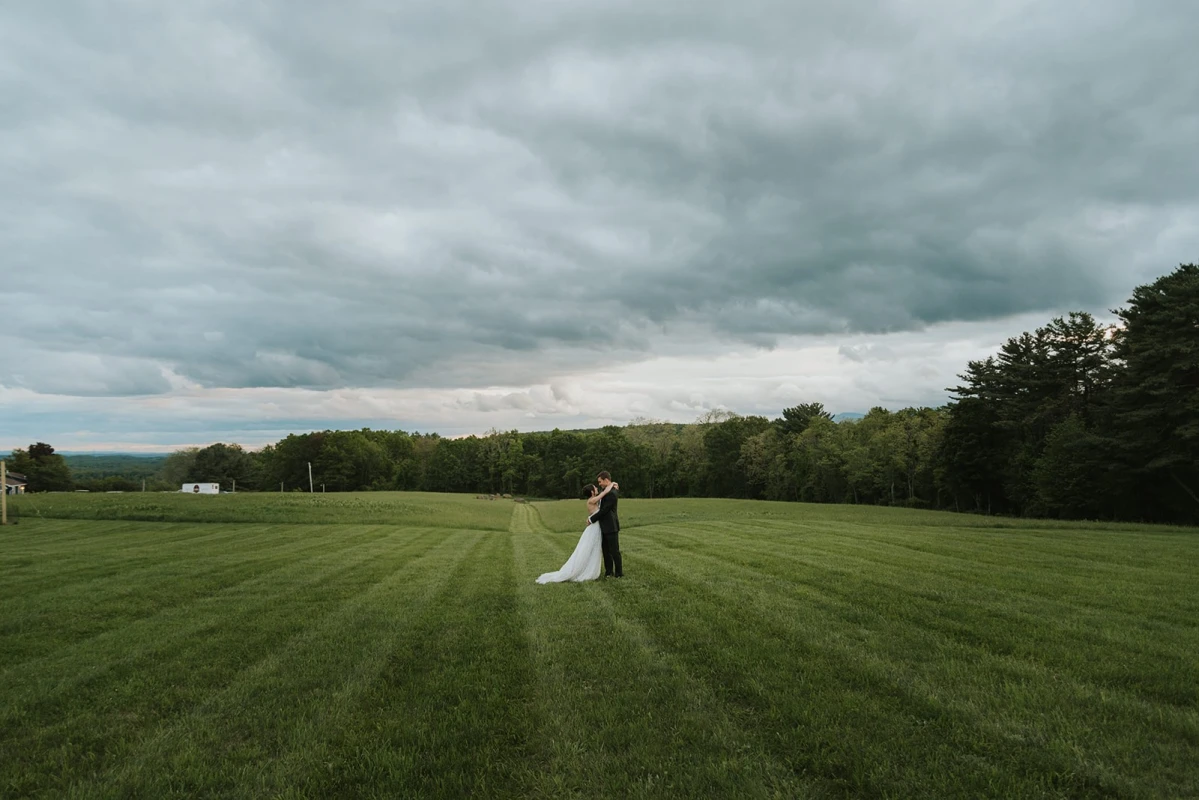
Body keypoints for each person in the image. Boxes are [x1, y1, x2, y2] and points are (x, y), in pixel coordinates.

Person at [535, 480, 617, 584]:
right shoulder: (592, 500)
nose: (597, 488)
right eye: (595, 488)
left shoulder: (593, 500)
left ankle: (591, 568)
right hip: (594, 528)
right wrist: (612, 484)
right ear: (592, 492)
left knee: (594, 549)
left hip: (596, 527)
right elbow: (604, 493)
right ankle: (583, 570)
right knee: (588, 549)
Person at [588, 471, 622, 578]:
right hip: (603, 526)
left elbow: (604, 510)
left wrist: (591, 519)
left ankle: (619, 573)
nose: (599, 484)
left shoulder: (612, 493)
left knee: (614, 551)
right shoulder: (606, 490)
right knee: (606, 551)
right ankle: (608, 572)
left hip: (611, 526)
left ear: (606, 480)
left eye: (600, 482)